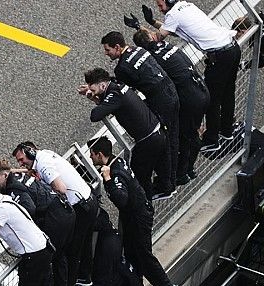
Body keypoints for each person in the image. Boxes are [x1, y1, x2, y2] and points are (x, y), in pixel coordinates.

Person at [89, 136, 180, 286]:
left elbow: (121, 200)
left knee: (143, 255)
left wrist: (107, 180)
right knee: (132, 254)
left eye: (92, 155)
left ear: (100, 155)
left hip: (138, 217)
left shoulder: (114, 173)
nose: (91, 158)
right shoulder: (118, 161)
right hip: (136, 214)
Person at [143, 0, 241, 153]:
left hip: (219, 57)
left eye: (160, 5)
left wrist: (139, 27)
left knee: (212, 100)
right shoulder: (187, 5)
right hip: (232, 48)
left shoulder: (173, 14)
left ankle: (212, 140)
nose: (160, 9)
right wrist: (153, 21)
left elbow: (156, 38)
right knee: (228, 94)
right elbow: (175, 31)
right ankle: (227, 131)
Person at [0, 159, 75, 286]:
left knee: (47, 258)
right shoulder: (14, 176)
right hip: (64, 210)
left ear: (4, 175)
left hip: (54, 217)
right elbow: (9, 172)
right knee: (59, 256)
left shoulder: (14, 189)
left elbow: (29, 208)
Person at [13, 144, 97, 286]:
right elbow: (32, 169)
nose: (20, 163)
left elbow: (60, 188)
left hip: (80, 207)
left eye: (21, 159)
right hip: (88, 201)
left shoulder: (44, 165)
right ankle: (84, 277)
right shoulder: (44, 155)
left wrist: (53, 200)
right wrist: (13, 171)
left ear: (31, 153)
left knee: (71, 249)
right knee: (83, 245)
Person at [79, 67, 174, 201]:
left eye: (93, 89)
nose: (92, 92)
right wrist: (94, 95)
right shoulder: (117, 85)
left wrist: (92, 96)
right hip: (157, 132)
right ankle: (164, 189)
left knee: (137, 176)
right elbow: (107, 104)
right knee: (154, 169)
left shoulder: (114, 95)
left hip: (149, 140)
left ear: (102, 85)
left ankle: (145, 203)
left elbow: (95, 115)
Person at [132, 27, 210, 182]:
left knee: (186, 136)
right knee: (191, 133)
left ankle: (182, 173)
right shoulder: (166, 45)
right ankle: (187, 169)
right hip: (201, 90)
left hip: (189, 99)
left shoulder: (152, 58)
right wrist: (139, 27)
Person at [101, 31, 180, 185]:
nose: (106, 53)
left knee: (166, 139)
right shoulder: (140, 50)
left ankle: (168, 181)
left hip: (160, 100)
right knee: (173, 135)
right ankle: (173, 175)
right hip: (171, 90)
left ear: (117, 47)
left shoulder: (122, 67)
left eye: (107, 50)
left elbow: (124, 90)